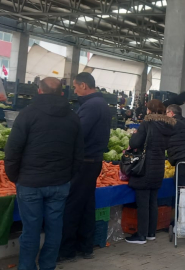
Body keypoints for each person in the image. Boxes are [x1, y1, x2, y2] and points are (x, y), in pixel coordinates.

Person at [5, 78, 83, 270]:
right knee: (54, 229)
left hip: (30, 183)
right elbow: (79, 153)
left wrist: (15, 176)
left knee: (30, 230)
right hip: (59, 183)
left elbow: (13, 149)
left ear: (39, 91)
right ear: (62, 93)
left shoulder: (27, 114)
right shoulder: (73, 117)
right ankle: (48, 266)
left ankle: (26, 267)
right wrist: (68, 176)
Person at [59, 72, 111, 260]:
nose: (74, 90)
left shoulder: (91, 106)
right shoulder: (101, 104)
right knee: (87, 204)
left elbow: (78, 132)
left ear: (83, 85)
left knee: (72, 206)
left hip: (84, 161)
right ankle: (86, 247)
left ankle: (67, 251)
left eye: (75, 86)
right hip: (94, 160)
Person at [125, 100, 176, 244]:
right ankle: (150, 233)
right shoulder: (167, 126)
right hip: (158, 166)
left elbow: (135, 143)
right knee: (153, 201)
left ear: (149, 111)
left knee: (143, 202)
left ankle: (141, 235)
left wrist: (135, 134)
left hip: (145, 166)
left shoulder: (147, 124)